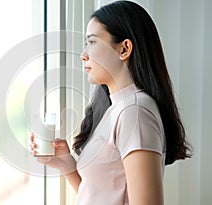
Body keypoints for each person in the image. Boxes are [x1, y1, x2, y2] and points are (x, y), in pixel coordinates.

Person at [30, 1, 192, 204]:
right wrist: (66, 164)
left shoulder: (135, 111)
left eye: (93, 42)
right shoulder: (116, 108)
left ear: (124, 49)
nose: (83, 55)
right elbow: (99, 195)